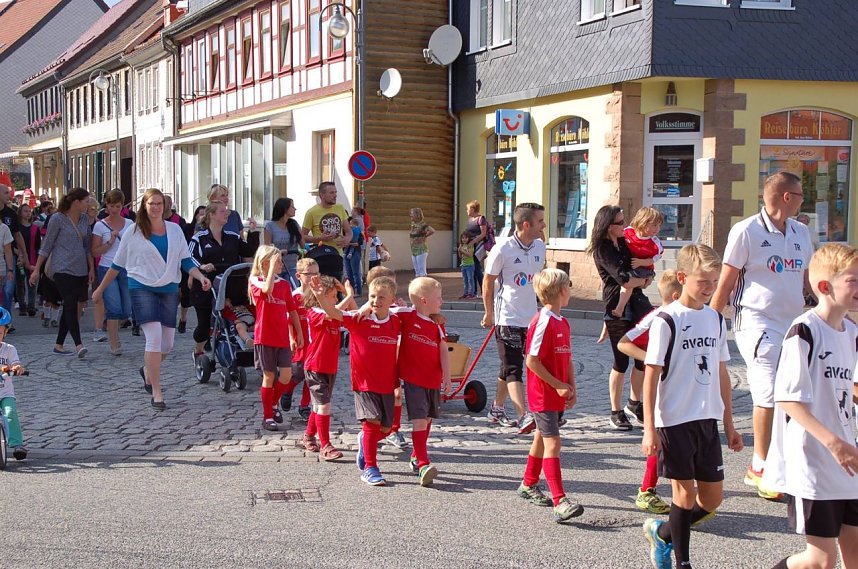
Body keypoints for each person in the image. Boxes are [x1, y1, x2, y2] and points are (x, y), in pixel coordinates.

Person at [710, 170, 812, 501]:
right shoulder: (746, 231)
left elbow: (808, 280)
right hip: (757, 323)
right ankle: (760, 466)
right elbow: (726, 282)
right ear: (786, 197)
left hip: (793, 324)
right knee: (767, 393)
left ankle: (781, 460)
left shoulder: (801, 231)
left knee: (792, 393)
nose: (801, 201)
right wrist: (711, 322)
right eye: (799, 195)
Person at [641, 244, 743, 569]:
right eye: (703, 281)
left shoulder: (714, 318)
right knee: (683, 495)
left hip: (707, 419)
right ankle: (682, 562)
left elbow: (722, 372)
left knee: (712, 499)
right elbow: (651, 375)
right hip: (674, 420)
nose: (710, 288)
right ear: (682, 278)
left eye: (714, 281)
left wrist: (729, 423)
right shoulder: (666, 320)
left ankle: (664, 533)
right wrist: (649, 428)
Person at [762, 243, 858, 569]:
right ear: (824, 287)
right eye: (853, 280)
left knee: (855, 554)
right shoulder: (804, 330)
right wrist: (834, 443)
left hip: (848, 461)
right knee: (821, 560)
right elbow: (788, 399)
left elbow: (849, 387)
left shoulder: (852, 333)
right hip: (815, 460)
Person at [93, 188, 211, 409]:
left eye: (159, 203)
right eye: (151, 204)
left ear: (164, 206)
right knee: (154, 337)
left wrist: (199, 276)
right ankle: (157, 391)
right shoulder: (134, 232)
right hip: (141, 287)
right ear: (144, 206)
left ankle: (148, 370)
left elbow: (185, 260)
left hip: (168, 288)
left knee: (167, 344)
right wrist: (100, 289)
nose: (156, 207)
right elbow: (117, 264)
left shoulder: (175, 230)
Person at [310, 275, 400, 486]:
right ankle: (370, 467)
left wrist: (437, 317)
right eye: (372, 296)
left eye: (381, 297)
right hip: (364, 383)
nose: (376, 301)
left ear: (392, 299)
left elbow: (420, 314)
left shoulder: (397, 321)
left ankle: (364, 442)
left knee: (386, 429)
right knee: (372, 423)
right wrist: (320, 296)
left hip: (387, 383)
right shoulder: (359, 319)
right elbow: (333, 313)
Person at [515, 268, 583, 523]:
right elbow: (531, 361)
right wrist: (556, 385)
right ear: (562, 291)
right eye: (570, 286)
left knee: (541, 440)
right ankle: (560, 501)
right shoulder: (541, 321)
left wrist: (571, 386)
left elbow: (567, 358)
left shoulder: (562, 321)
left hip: (556, 392)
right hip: (542, 394)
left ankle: (528, 484)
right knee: (553, 443)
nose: (571, 290)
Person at [618, 269, 682, 516]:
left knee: (675, 439)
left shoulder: (692, 316)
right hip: (660, 388)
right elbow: (624, 342)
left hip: (682, 388)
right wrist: (652, 359)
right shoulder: (656, 318)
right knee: (661, 439)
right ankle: (647, 490)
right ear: (676, 295)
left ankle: (680, 492)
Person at [481, 203, 547, 434]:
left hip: (531, 318)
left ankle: (497, 408)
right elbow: (488, 282)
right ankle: (523, 415)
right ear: (526, 224)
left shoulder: (540, 246)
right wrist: (489, 313)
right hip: (506, 316)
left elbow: (541, 279)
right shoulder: (503, 249)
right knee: (513, 368)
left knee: (511, 365)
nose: (544, 226)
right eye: (540, 222)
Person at [587, 204, 652, 431]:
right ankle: (615, 411)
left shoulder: (625, 243)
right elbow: (623, 278)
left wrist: (642, 278)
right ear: (608, 226)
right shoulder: (602, 250)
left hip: (639, 304)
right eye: (620, 222)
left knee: (642, 358)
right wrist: (639, 280)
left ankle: (634, 403)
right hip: (617, 307)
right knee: (621, 360)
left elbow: (647, 269)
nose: (625, 226)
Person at [391, 277, 451, 487]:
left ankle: (416, 456)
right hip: (413, 379)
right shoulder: (407, 315)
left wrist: (447, 377)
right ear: (424, 300)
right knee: (418, 419)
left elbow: (443, 349)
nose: (442, 301)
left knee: (427, 420)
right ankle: (424, 463)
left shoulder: (436, 324)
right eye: (438, 297)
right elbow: (385, 312)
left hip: (432, 379)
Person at [29, 188, 94, 358]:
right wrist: (37, 269)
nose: (89, 204)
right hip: (62, 267)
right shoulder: (57, 219)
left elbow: (87, 246)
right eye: (86, 201)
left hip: (80, 269)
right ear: (76, 202)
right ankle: (79, 344)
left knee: (71, 306)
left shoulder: (84, 219)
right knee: (71, 303)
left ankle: (59, 344)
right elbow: (47, 245)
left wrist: (91, 267)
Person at [189, 201, 257, 360]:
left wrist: (253, 233)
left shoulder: (232, 237)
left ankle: (235, 348)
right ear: (211, 215)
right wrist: (202, 266)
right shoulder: (200, 238)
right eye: (222, 211)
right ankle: (198, 350)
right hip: (206, 287)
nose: (227, 213)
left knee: (232, 318)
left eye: (226, 211)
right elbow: (189, 257)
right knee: (204, 326)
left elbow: (248, 250)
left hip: (230, 286)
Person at [248, 245, 303, 432]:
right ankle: (267, 416)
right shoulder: (256, 280)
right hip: (265, 336)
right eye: (277, 261)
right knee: (269, 376)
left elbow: (292, 311)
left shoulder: (285, 284)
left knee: (286, 376)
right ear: (265, 262)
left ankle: (272, 404)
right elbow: (267, 288)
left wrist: (298, 334)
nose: (281, 264)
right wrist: (270, 269)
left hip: (282, 338)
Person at [302, 275, 354, 461]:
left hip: (329, 367)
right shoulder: (314, 312)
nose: (335, 299)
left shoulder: (333, 313)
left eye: (335, 296)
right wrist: (348, 295)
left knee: (318, 405)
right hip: (315, 366)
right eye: (332, 296)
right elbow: (332, 311)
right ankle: (325, 445)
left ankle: (308, 436)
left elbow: (351, 313)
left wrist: (347, 296)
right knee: (324, 405)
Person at [90, 190, 134, 356]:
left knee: (126, 309)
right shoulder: (100, 225)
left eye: (118, 205)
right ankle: (114, 342)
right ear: (106, 206)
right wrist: (110, 242)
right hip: (107, 266)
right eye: (111, 205)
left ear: (122, 206)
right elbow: (95, 251)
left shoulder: (130, 224)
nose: (114, 209)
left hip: (126, 268)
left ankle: (115, 332)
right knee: (114, 307)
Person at [279, 257, 319, 422]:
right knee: (297, 374)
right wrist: (290, 338)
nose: (313, 277)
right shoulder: (294, 296)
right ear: (298, 276)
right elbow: (288, 319)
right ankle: (287, 390)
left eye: (316, 273)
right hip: (299, 341)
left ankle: (305, 405)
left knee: (312, 374)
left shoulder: (318, 295)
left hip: (315, 342)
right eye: (308, 274)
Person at [613, 207, 663, 318]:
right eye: (654, 225)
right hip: (630, 266)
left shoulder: (654, 243)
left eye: (659, 225)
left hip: (644, 269)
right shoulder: (629, 232)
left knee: (628, 283)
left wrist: (641, 262)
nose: (657, 229)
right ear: (643, 222)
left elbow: (655, 258)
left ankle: (619, 308)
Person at [302, 181, 350, 280]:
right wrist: (320, 238)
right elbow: (303, 237)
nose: (335, 195)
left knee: (337, 290)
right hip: (321, 256)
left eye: (335, 192)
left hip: (338, 256)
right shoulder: (312, 212)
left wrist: (347, 239)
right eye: (331, 193)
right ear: (322, 195)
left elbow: (349, 231)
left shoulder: (340, 208)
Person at [0, 307, 28, 460]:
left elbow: (16, 364)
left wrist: (17, 368)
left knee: (10, 413)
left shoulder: (9, 350)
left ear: (5, 333)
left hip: (5, 393)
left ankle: (18, 444)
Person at [0, 184, 31, 318]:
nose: (9, 195)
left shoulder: (11, 213)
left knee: (8, 288)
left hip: (9, 254)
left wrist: (24, 254)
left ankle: (6, 319)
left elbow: (17, 235)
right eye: (6, 193)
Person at [178, 205, 207, 333]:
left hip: (202, 267)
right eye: (201, 214)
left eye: (205, 213)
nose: (203, 216)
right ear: (196, 215)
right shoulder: (189, 228)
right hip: (188, 265)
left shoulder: (208, 230)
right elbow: (188, 251)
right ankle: (183, 318)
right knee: (185, 296)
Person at [263, 197, 304, 286]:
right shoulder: (270, 226)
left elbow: (303, 244)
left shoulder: (294, 224)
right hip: (276, 267)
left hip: (292, 266)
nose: (295, 209)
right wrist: (278, 252)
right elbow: (268, 247)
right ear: (284, 209)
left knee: (293, 288)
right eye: (292, 207)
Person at [15, 204, 39, 317]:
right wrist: (18, 253)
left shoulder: (34, 228)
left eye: (29, 211)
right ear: (20, 213)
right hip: (19, 258)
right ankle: (22, 306)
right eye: (25, 211)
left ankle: (31, 306)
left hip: (32, 257)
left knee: (32, 282)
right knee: (20, 282)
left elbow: (38, 245)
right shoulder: (17, 228)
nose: (28, 213)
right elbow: (13, 243)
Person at [464, 200, 491, 295]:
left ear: (472, 209)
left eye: (467, 209)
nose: (466, 211)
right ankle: (474, 291)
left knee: (476, 268)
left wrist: (473, 242)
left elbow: (483, 234)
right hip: (470, 246)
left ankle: (484, 290)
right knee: (473, 268)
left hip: (478, 246)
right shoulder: (470, 220)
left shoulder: (481, 219)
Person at [409, 208, 435, 278]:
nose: (410, 215)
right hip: (413, 249)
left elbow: (432, 230)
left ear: (417, 215)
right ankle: (418, 286)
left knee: (421, 271)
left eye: (412, 213)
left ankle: (424, 286)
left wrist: (425, 236)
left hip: (421, 249)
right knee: (417, 271)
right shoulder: (413, 224)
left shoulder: (423, 224)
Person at [344, 217, 364, 295]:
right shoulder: (349, 232)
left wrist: (349, 243)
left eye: (351, 223)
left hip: (355, 252)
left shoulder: (358, 232)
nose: (350, 225)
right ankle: (351, 292)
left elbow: (359, 243)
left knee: (356, 273)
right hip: (347, 252)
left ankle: (358, 292)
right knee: (349, 273)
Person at [458, 231, 476, 299]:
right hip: (463, 265)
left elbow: (470, 254)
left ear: (469, 238)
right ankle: (465, 293)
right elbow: (460, 256)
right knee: (465, 280)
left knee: (470, 279)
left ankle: (472, 293)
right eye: (463, 238)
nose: (464, 239)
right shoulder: (462, 245)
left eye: (466, 238)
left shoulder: (470, 245)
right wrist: (459, 251)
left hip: (470, 265)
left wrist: (462, 251)